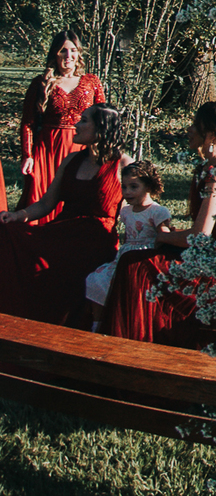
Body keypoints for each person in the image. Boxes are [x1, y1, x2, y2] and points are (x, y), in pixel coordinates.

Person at [107, 101, 216, 344]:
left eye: (194, 125)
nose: (188, 130)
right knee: (136, 259)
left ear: (210, 134)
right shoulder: (205, 169)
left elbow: (201, 235)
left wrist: (163, 236)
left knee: (133, 264)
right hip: (204, 251)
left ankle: (131, 346)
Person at [0, 104, 129, 326]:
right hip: (61, 233)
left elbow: (133, 208)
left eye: (83, 121)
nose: (76, 126)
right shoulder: (71, 160)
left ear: (102, 128)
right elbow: (46, 204)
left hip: (95, 242)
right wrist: (17, 215)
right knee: (7, 234)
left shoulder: (123, 164)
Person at [18, 32, 107, 216]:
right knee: (41, 195)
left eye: (73, 50)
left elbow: (103, 119)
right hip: (48, 149)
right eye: (63, 51)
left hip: (81, 147)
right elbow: (28, 123)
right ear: (55, 54)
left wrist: (102, 149)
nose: (68, 56)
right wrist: (27, 155)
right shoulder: (41, 83)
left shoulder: (92, 82)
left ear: (79, 54)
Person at [85, 160, 172, 327]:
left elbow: (164, 237)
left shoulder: (157, 211)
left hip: (144, 258)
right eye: (124, 187)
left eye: (134, 187)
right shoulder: (125, 211)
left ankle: (123, 323)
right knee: (96, 279)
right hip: (125, 255)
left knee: (126, 287)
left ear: (148, 186)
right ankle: (98, 322)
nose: (127, 192)